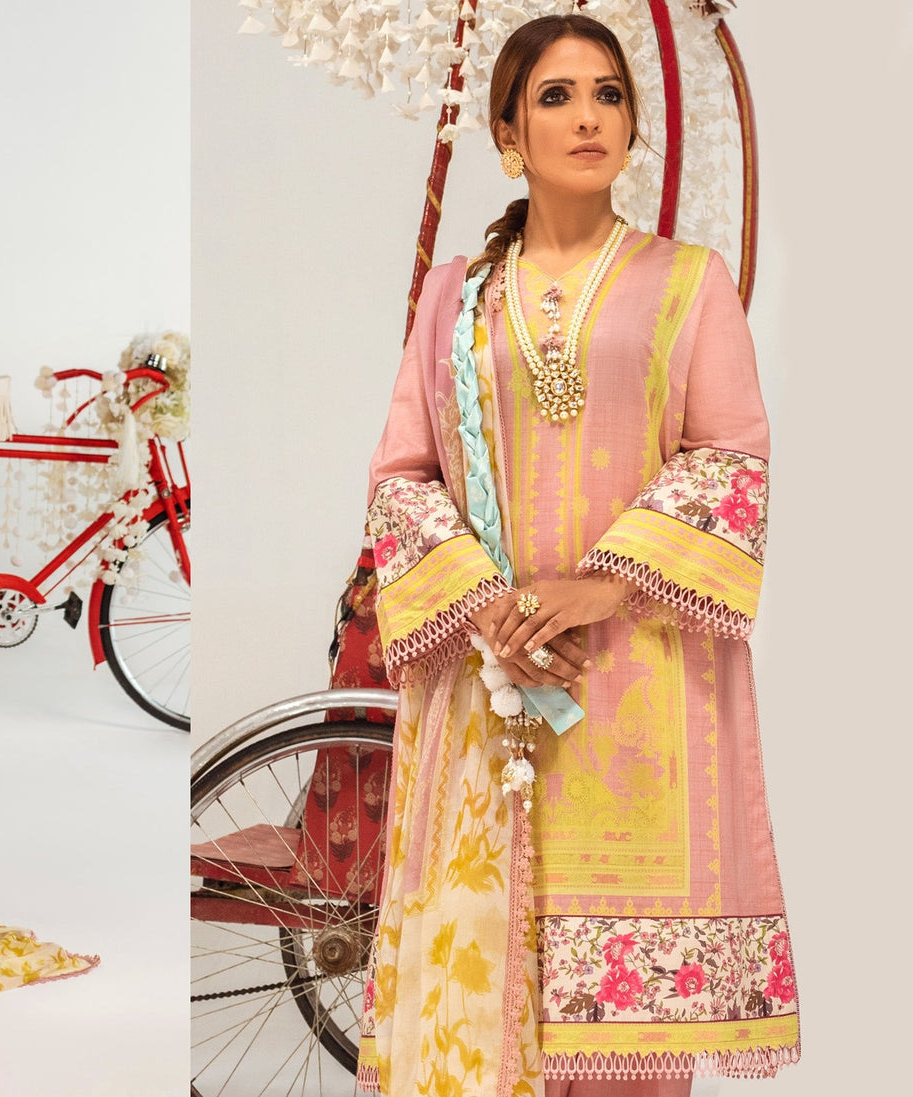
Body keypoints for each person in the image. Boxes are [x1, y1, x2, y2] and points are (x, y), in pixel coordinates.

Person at [356, 15, 799, 1096]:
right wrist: (488, 609)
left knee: (627, 1044)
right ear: (507, 134)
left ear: (633, 125)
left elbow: (731, 457)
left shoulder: (687, 282)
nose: (588, 116)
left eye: (607, 93)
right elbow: (400, 475)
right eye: (554, 96)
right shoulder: (454, 295)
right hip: (489, 680)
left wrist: (597, 585)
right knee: (480, 991)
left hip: (638, 680)